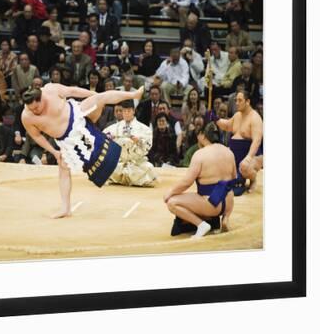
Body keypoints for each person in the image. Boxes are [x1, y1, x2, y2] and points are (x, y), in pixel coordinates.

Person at [21, 83, 145, 218]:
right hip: (67, 140)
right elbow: (37, 136)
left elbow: (72, 90)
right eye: (31, 108)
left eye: (37, 107)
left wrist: (92, 94)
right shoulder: (27, 117)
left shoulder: (51, 89)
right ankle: (65, 209)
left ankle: (133, 95)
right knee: (63, 168)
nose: (35, 111)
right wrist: (54, 152)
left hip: (79, 116)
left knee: (100, 98)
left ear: (41, 98)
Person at [163, 122, 237, 238]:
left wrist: (170, 192)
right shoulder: (229, 152)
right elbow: (233, 178)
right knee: (226, 189)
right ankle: (225, 219)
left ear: (203, 135)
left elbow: (187, 182)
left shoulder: (200, 154)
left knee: (172, 202)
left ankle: (201, 225)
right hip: (228, 203)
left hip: (212, 204)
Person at [213, 90, 263, 192]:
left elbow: (257, 141)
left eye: (240, 100)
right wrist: (215, 118)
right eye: (236, 100)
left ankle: (253, 179)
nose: (236, 103)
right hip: (235, 156)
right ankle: (240, 178)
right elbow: (227, 126)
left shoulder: (255, 118)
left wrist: (248, 158)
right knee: (219, 170)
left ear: (247, 102)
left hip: (252, 156)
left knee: (245, 168)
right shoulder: (237, 115)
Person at [103, 100, 155, 186]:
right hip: (118, 162)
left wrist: (139, 141)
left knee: (148, 168)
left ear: (133, 111)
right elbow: (104, 137)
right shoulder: (114, 127)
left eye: (129, 111)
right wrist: (110, 138)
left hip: (136, 163)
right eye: (124, 111)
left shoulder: (143, 128)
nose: (126, 113)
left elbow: (148, 144)